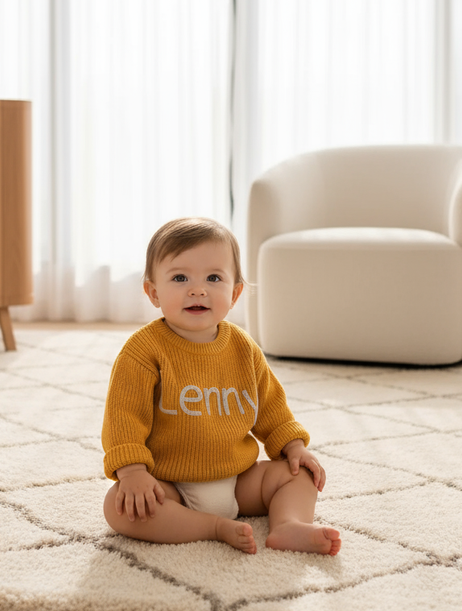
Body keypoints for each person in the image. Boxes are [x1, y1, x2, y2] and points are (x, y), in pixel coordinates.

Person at [102, 217, 341, 556]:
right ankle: (211, 528)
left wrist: (293, 447)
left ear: (235, 292)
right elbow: (123, 417)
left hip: (239, 479)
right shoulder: (143, 352)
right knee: (119, 507)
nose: (198, 289)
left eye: (214, 278)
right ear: (154, 292)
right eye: (180, 277)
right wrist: (132, 472)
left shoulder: (243, 348)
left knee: (299, 473)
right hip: (170, 484)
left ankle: (288, 525)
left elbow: (271, 406)